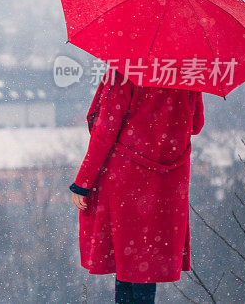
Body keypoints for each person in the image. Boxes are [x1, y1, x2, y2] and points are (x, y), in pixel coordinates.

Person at [70, 68, 204, 304]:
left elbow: (105, 130)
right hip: (168, 183)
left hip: (128, 180)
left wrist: (83, 182)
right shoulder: (188, 70)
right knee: (145, 265)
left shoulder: (127, 70)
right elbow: (196, 124)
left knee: (128, 259)